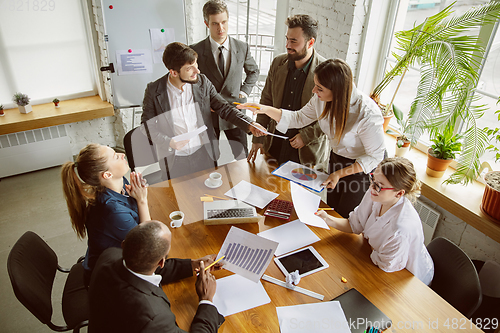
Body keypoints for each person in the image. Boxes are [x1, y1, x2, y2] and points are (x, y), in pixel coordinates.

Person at [238, 58, 386, 217]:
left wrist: (340, 174)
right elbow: (298, 118)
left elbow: (375, 156)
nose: (314, 91)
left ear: (337, 90)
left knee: (348, 215)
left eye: (319, 88)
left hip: (361, 166)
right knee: (332, 209)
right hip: (337, 158)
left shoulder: (367, 114)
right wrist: (265, 109)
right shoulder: (321, 99)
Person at [141, 42, 265, 180]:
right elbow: (146, 126)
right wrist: (168, 141)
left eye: (196, 64)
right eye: (190, 68)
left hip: (204, 154)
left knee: (206, 195)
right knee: (177, 199)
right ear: (174, 72)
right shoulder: (154, 90)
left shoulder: (203, 82)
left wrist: (250, 124)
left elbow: (224, 108)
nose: (197, 71)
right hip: (174, 159)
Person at [88, 220, 224, 332]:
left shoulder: (110, 255)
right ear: (161, 262)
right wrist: (206, 299)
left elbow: (146, 266)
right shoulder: (154, 318)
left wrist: (193, 264)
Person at [315, 157, 434, 285]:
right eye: (373, 179)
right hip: (377, 259)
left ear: (399, 193)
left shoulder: (400, 228)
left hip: (407, 277)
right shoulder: (375, 193)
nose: (371, 187)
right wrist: (327, 218)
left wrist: (370, 242)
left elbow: (386, 265)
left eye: (378, 185)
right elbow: (355, 224)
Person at [61, 143, 151, 287]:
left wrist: (138, 197)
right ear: (107, 175)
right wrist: (142, 201)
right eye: (116, 156)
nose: (122, 154)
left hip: (119, 258)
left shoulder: (120, 184)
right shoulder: (111, 210)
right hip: (106, 280)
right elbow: (148, 244)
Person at [248, 14, 329, 170]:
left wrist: (306, 136)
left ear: (310, 42)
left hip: (305, 149)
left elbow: (330, 116)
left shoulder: (326, 70)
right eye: (287, 39)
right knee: (269, 188)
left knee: (298, 193)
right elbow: (267, 99)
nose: (287, 45)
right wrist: (258, 138)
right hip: (275, 141)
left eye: (294, 41)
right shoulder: (278, 62)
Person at [191, 0, 259, 160]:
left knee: (242, 156)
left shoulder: (242, 47)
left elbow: (254, 71)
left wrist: (244, 90)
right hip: (208, 114)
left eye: (224, 22)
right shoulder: (195, 50)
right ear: (206, 23)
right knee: (209, 158)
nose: (220, 28)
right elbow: (189, 81)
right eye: (215, 23)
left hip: (235, 111)